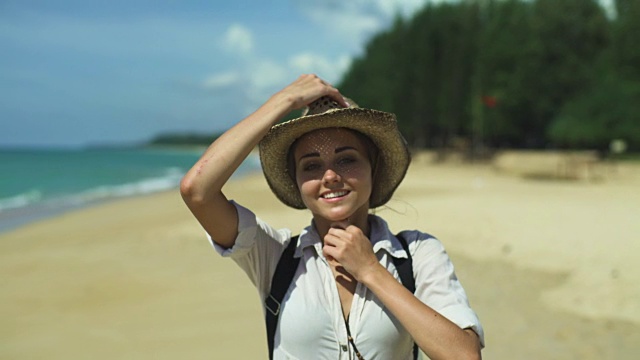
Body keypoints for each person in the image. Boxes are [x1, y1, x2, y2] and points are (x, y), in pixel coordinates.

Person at [180, 74, 484, 359]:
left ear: (373, 167)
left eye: (346, 159)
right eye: (311, 166)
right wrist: (285, 99)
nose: (330, 176)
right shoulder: (275, 256)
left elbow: (465, 354)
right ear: (297, 181)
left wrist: (371, 271)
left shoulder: (417, 254)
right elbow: (197, 190)